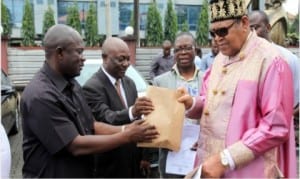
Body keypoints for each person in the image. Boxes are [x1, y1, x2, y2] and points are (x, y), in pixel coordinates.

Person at [21, 24, 158, 178]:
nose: (83, 58)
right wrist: (127, 136)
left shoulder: (72, 85)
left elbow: (92, 125)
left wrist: (129, 129)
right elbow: (75, 145)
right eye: (79, 52)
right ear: (60, 53)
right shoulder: (40, 95)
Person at [178, 0, 296, 178]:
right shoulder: (219, 60)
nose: (217, 39)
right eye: (213, 33)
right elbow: (213, 102)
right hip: (211, 164)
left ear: (245, 23)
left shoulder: (270, 60)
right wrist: (192, 103)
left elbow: (275, 126)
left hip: (249, 169)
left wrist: (226, 159)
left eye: (223, 31)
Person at [82, 37, 155, 178]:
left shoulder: (130, 83)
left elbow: (139, 122)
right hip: (110, 165)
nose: (126, 64)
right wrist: (132, 111)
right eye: (121, 59)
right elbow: (106, 118)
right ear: (105, 58)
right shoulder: (92, 87)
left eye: (128, 59)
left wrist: (145, 156)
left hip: (134, 164)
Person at [153, 32, 203, 178]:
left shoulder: (208, 78)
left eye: (187, 48)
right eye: (178, 49)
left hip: (198, 151)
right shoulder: (160, 82)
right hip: (170, 154)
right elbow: (156, 118)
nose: (183, 53)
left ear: (195, 49)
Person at [248, 10, 300, 147]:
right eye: (248, 29)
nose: (252, 33)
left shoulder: (288, 58)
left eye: (255, 27)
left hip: (280, 131)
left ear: (268, 27)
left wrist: (282, 118)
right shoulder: (244, 60)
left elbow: (296, 100)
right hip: (249, 134)